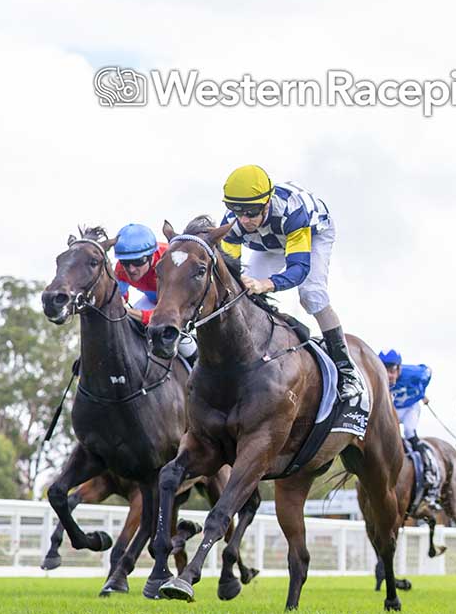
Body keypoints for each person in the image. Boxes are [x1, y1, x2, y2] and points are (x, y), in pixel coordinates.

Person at [218, 164, 362, 401]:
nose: (244, 220)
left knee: (311, 295)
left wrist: (266, 284)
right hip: (268, 243)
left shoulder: (292, 212)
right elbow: (230, 270)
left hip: (311, 234)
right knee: (242, 292)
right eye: (237, 211)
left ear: (266, 203)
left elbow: (299, 268)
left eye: (251, 212)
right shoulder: (233, 221)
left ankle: (347, 371)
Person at [113, 223, 196, 362]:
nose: (131, 269)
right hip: (152, 301)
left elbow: (167, 313)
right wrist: (120, 301)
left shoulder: (169, 261)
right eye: (125, 262)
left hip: (180, 304)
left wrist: (128, 312)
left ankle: (196, 365)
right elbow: (120, 297)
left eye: (138, 261)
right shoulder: (121, 269)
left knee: (183, 342)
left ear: (152, 256)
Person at [379, 349, 439, 510]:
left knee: (409, 432)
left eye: (392, 371)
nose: (389, 376)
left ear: (399, 368)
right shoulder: (378, 377)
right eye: (385, 370)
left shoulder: (413, 373)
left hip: (410, 409)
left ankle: (428, 471)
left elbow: (428, 371)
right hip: (394, 409)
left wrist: (422, 392)